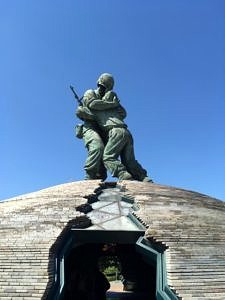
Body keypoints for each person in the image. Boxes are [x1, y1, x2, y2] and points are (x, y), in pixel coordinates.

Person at [81, 73, 153, 182]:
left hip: (113, 131)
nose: (102, 89)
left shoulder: (109, 102)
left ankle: (126, 174)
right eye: (102, 86)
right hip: (95, 128)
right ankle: (92, 175)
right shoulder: (90, 93)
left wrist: (112, 105)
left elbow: (123, 113)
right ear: (98, 83)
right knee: (98, 148)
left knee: (111, 157)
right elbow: (91, 105)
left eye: (105, 88)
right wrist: (112, 104)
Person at [75, 102, 107, 181]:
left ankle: (100, 175)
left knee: (105, 154)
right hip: (89, 130)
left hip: (101, 132)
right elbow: (79, 112)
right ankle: (90, 174)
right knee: (97, 148)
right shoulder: (84, 110)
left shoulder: (100, 110)